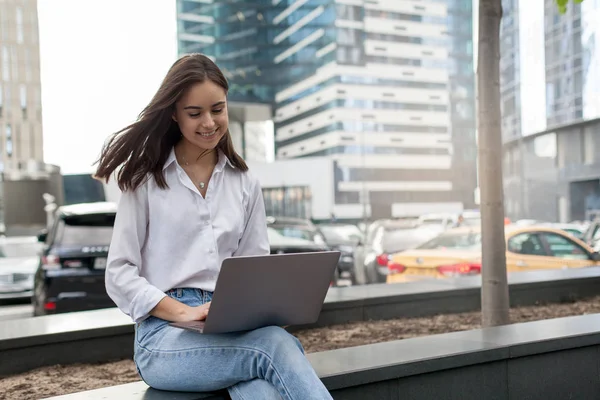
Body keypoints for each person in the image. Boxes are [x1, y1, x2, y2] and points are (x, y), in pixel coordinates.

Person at [94, 53, 332, 400]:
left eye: (217, 109)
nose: (209, 123)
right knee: (274, 347)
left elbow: (254, 266)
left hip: (232, 327)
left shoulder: (244, 181)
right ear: (174, 113)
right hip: (163, 338)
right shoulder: (145, 180)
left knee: (261, 391)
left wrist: (256, 307)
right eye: (195, 113)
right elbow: (119, 274)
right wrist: (184, 311)